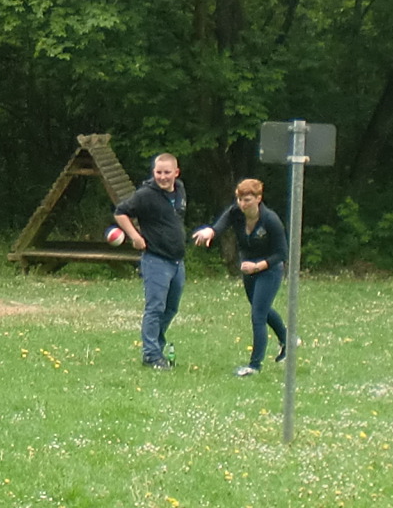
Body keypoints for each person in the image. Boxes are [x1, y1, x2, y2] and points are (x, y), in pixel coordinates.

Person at [195, 177, 289, 376]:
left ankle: (254, 366)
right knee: (261, 308)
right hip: (248, 268)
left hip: (269, 269)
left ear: (258, 198)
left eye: (247, 200)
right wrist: (210, 232)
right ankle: (287, 340)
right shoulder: (236, 213)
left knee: (258, 315)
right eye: (239, 199)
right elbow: (220, 225)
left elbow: (282, 253)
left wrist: (257, 266)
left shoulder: (270, 220)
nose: (242, 204)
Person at [112, 152, 191, 369]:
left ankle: (157, 346)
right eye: (158, 172)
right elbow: (120, 212)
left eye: (167, 172)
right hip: (156, 260)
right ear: (153, 172)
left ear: (176, 172)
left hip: (177, 261)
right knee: (155, 308)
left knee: (171, 308)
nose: (162, 177)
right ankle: (151, 355)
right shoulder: (145, 195)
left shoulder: (180, 190)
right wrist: (135, 236)